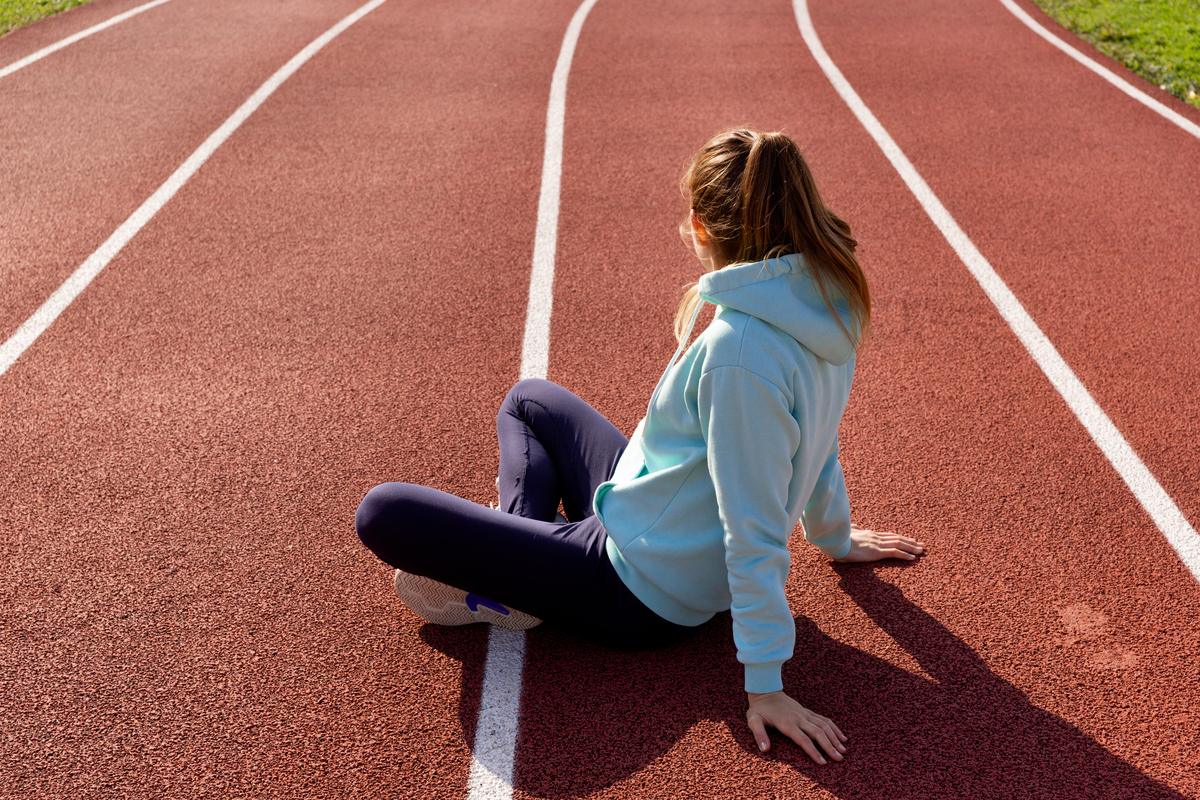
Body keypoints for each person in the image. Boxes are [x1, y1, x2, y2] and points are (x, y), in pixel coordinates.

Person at [355, 127, 926, 765]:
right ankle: (521, 567)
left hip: (640, 589)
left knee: (382, 512)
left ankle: (519, 575)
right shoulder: (827, 304)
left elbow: (754, 523)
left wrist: (766, 685)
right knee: (531, 399)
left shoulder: (737, 351)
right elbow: (820, 442)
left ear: (699, 226)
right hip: (652, 517)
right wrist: (835, 537)